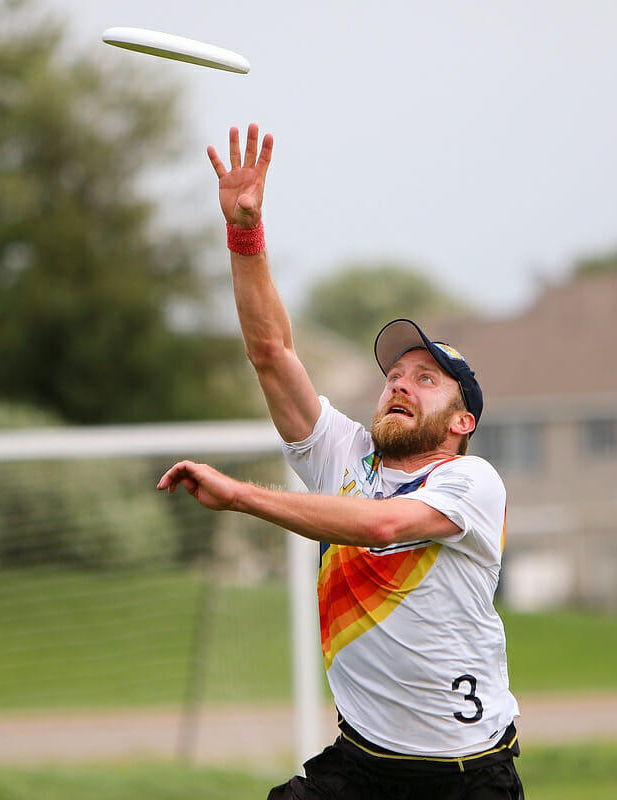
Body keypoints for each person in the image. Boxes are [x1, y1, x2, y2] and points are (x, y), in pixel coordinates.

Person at [157, 124, 524, 800]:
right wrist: (245, 235)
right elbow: (271, 351)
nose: (399, 384)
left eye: (425, 378)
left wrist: (240, 496)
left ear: (462, 420)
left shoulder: (470, 482)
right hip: (358, 769)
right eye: (395, 374)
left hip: (463, 780)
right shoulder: (346, 456)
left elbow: (380, 527)